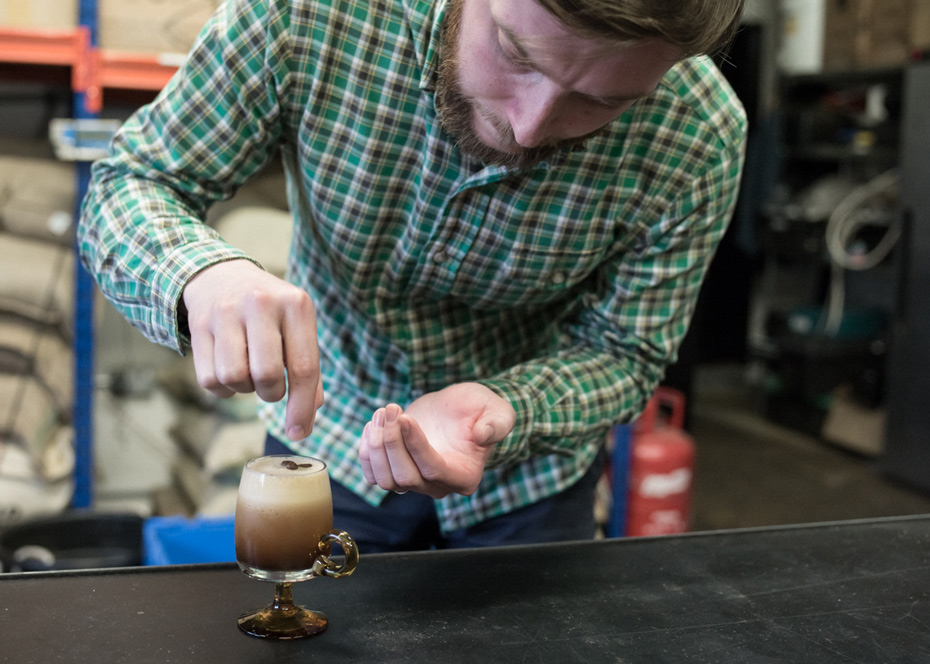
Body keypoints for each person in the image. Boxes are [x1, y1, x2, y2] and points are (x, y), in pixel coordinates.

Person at [79, 0, 747, 551]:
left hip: (532, 485)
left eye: (602, 102)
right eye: (515, 54)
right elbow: (135, 181)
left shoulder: (699, 133)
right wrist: (203, 275)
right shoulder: (309, 15)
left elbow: (626, 352)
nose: (531, 126)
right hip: (329, 442)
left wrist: (509, 409)